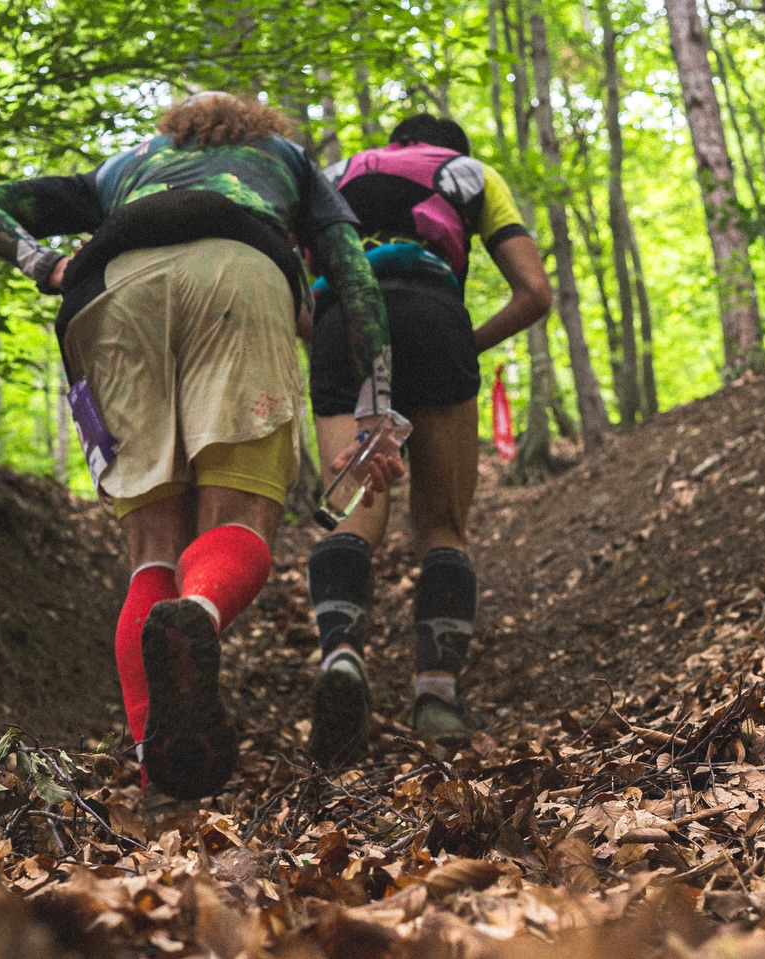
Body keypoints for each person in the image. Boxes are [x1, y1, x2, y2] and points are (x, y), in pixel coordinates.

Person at [0, 92, 400, 800]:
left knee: (150, 551)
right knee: (237, 523)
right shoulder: (283, 160)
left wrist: (45, 264)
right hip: (240, 273)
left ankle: (154, 763)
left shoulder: (122, 168)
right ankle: (202, 615)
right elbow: (353, 272)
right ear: (260, 127)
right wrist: (376, 406)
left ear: (173, 130)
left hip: (105, 292)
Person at [304, 114, 553, 767]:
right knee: (442, 523)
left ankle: (341, 660)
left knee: (355, 511)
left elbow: (296, 296)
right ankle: (436, 696)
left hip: (341, 317)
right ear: (448, 145)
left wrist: (338, 341)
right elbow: (534, 292)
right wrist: (461, 348)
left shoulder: (331, 176)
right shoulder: (469, 172)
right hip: (432, 310)